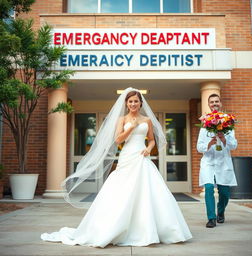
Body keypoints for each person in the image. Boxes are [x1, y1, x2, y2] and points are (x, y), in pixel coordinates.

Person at [41, 88, 192, 247]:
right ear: (126, 104)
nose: (133, 104)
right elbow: (118, 140)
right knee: (122, 190)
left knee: (147, 190)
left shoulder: (147, 120)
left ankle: (152, 230)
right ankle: (115, 227)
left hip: (141, 157)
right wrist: (132, 127)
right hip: (127, 157)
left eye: (136, 101)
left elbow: (152, 140)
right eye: (130, 101)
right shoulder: (122, 119)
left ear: (141, 103)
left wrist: (149, 148)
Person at [197, 94, 237, 228]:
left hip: (223, 161)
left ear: (220, 103)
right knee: (208, 188)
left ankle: (221, 212)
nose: (214, 104)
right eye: (212, 102)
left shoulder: (228, 123)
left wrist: (223, 139)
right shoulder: (204, 125)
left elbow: (234, 145)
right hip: (208, 161)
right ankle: (211, 218)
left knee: (224, 193)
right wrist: (209, 143)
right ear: (208, 105)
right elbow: (199, 147)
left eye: (216, 101)